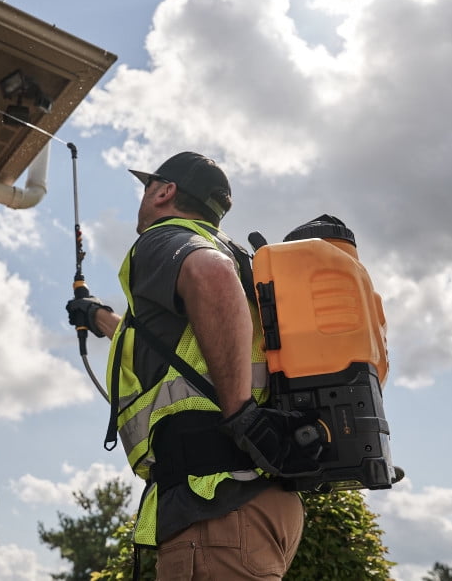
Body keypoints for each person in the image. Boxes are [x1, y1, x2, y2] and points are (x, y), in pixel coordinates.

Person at [66, 152, 328, 580]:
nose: (145, 195)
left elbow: (209, 274)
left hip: (215, 501)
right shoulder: (243, 262)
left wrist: (240, 413)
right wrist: (97, 316)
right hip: (259, 504)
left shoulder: (164, 237)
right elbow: (176, 351)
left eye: (148, 186)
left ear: (165, 191)